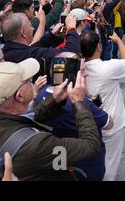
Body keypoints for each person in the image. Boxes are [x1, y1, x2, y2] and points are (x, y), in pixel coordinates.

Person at [0, 61, 101, 180]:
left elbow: (25, 121)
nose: (33, 83)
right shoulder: (39, 145)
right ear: (20, 96)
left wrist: (55, 100)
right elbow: (90, 146)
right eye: (29, 81)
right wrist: (79, 102)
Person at [33, 53, 113, 181]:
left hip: (57, 162)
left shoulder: (39, 95)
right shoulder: (83, 104)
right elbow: (108, 124)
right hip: (86, 167)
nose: (86, 74)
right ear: (68, 75)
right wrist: (85, 104)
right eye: (82, 71)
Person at [80, 31, 125, 181]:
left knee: (93, 162)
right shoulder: (107, 68)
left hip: (87, 124)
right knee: (109, 164)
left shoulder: (77, 69)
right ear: (99, 47)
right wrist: (118, 41)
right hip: (112, 124)